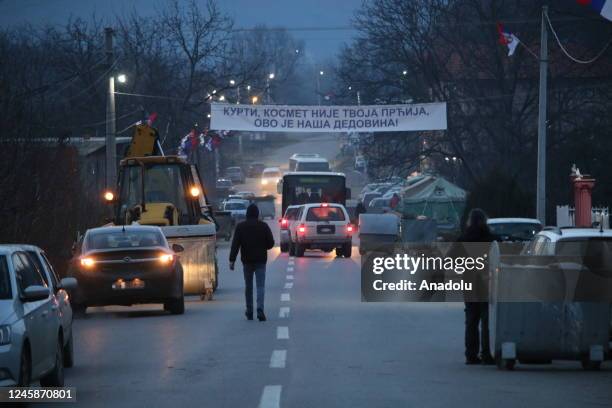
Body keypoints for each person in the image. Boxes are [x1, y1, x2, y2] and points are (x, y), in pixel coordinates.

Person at [456, 208, 495, 365]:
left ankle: (471, 354)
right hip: (487, 281)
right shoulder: (490, 239)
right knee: (486, 319)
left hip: (470, 282)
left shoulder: (464, 238)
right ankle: (487, 353)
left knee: (471, 319)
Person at [229, 203, 275, 321]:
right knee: (260, 286)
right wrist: (263, 245)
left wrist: (232, 260)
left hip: (247, 261)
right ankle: (260, 309)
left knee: (248, 287)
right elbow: (271, 244)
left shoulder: (240, 227)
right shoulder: (263, 226)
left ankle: (249, 311)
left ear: (247, 214)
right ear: (257, 214)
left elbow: (235, 245)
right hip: (260, 261)